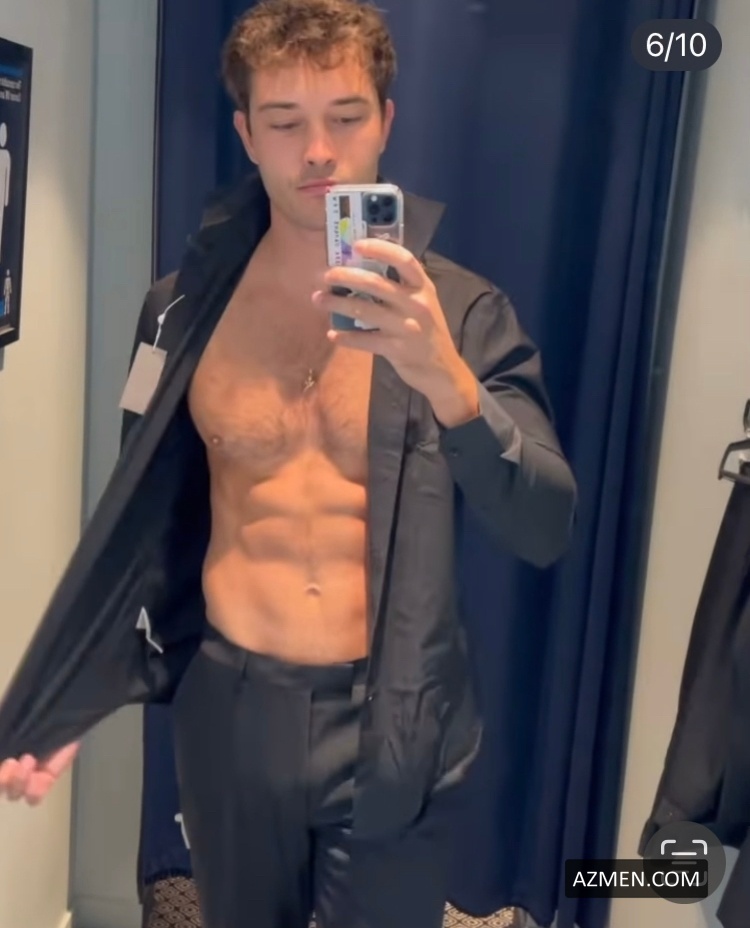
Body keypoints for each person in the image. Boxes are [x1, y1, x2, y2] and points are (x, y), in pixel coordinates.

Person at [0, 2, 577, 926]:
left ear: (386, 122)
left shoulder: (461, 316)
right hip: (230, 708)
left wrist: (447, 381)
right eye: (284, 121)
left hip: (394, 715)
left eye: (345, 116)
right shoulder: (179, 311)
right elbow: (141, 529)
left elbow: (545, 523)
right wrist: (73, 691)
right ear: (245, 135)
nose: (318, 151)